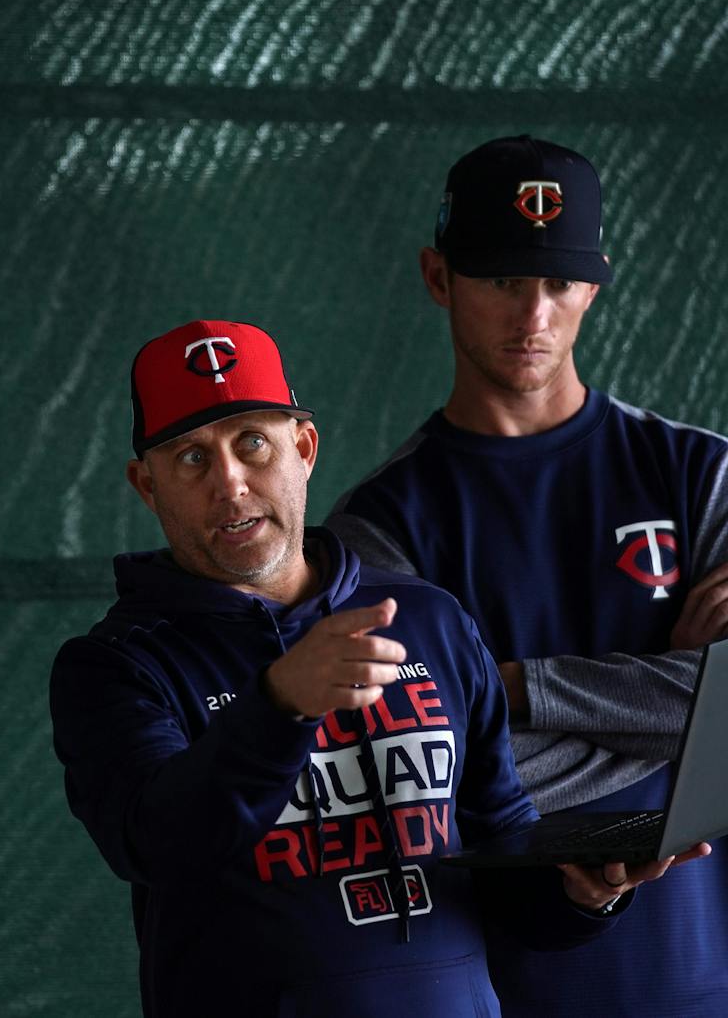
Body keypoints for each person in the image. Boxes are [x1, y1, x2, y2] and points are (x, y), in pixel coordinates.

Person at [49, 318, 705, 1016]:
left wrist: (580, 893)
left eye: (252, 442)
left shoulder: (427, 618)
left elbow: (499, 856)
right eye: (190, 459)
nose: (231, 484)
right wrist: (279, 707)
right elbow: (161, 843)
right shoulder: (116, 665)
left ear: (302, 448)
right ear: (146, 486)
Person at [326, 135, 728, 1014]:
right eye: (503, 279)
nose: (534, 316)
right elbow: (429, 780)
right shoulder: (379, 529)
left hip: (703, 977)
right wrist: (684, 707)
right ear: (440, 278)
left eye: (558, 282)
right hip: (503, 984)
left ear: (595, 281)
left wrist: (503, 687)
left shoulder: (702, 475)